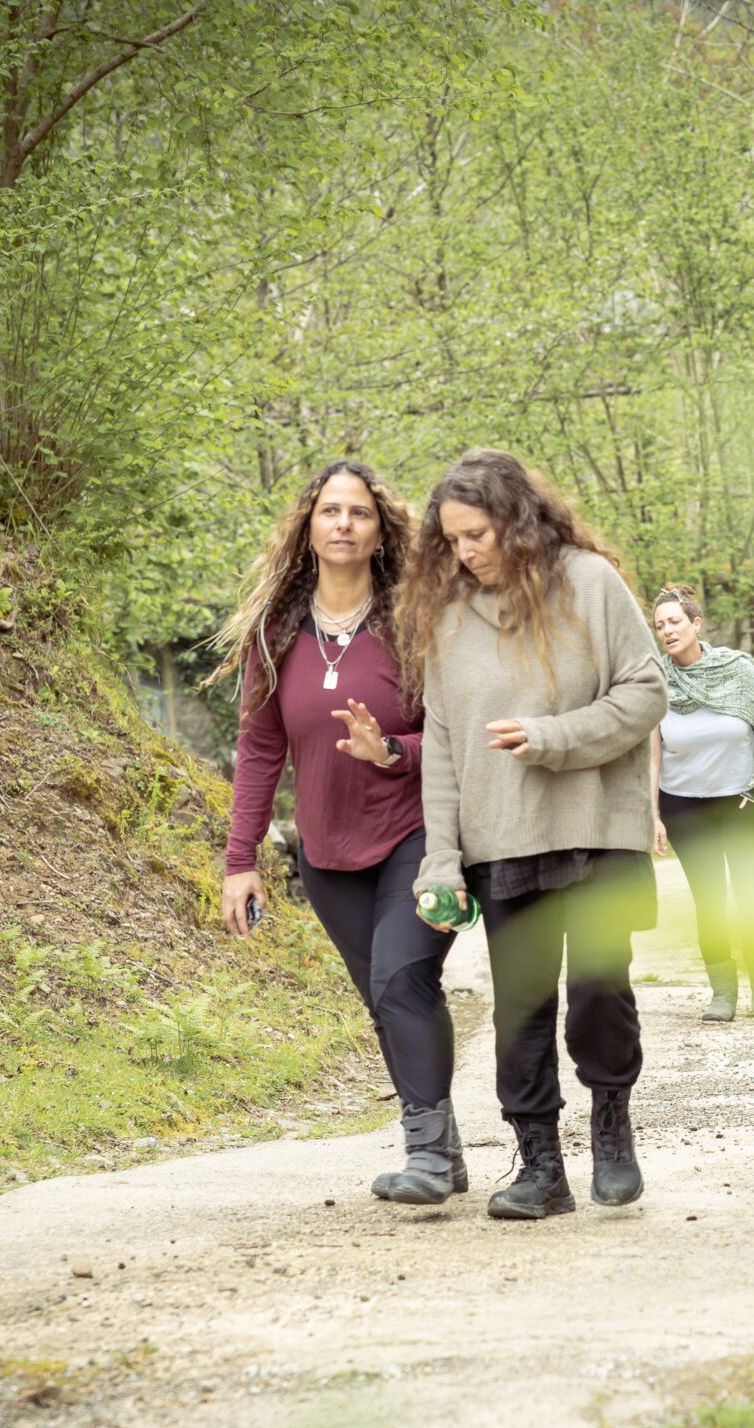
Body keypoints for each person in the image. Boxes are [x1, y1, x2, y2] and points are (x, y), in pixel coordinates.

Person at [399, 449, 666, 1221]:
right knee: (518, 1007)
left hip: (597, 829)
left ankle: (610, 1123)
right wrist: (439, 862)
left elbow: (646, 690)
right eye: (452, 540)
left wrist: (553, 737)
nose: (466, 551)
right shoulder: (448, 621)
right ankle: (541, 1167)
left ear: (517, 520)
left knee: (597, 991)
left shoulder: (591, 582)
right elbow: (443, 753)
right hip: (501, 839)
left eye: (478, 533)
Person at [211, 460, 467, 1206]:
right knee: (389, 996)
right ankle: (443, 1153)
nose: (345, 522)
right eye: (331, 510)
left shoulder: (414, 623)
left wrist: (392, 751)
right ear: (309, 525)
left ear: (381, 529)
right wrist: (241, 860)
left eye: (359, 511)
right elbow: (260, 748)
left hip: (420, 834)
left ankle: (422, 1155)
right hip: (326, 850)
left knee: (400, 979)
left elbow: (451, 733)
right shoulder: (276, 631)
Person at [649, 583, 754, 1022]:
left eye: (674, 622)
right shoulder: (656, 681)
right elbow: (652, 749)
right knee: (709, 899)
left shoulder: (740, 671)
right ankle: (722, 992)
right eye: (659, 626)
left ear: (696, 624)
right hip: (684, 805)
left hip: (743, 801)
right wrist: (651, 812)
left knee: (752, 893)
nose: (667, 631)